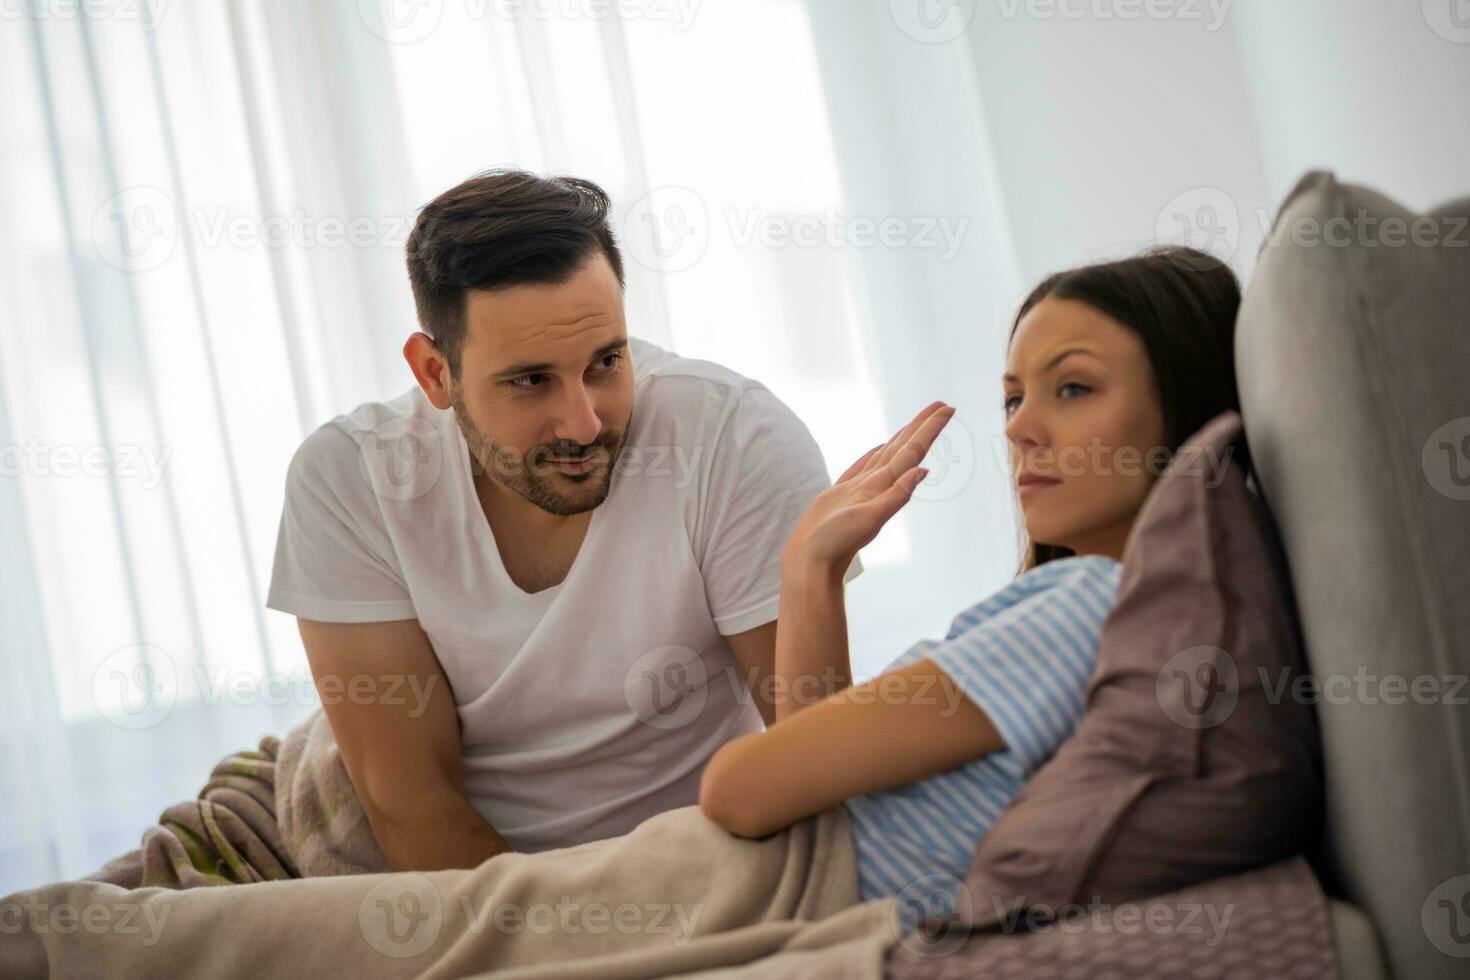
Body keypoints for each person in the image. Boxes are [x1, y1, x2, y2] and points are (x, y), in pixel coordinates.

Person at [263, 168, 859, 871]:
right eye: (531, 380)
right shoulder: (348, 479)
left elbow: (814, 762)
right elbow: (411, 804)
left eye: (607, 361)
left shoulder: (733, 438)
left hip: (697, 855)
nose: (584, 422)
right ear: (435, 374)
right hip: (458, 871)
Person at [700, 243, 1242, 927]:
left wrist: (808, 568)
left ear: (1187, 405)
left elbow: (741, 787)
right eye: (1014, 397)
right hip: (763, 894)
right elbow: (812, 794)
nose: (1018, 427)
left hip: (723, 887)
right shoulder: (1126, 617)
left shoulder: (1091, 606)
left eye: (1073, 387)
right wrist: (811, 570)